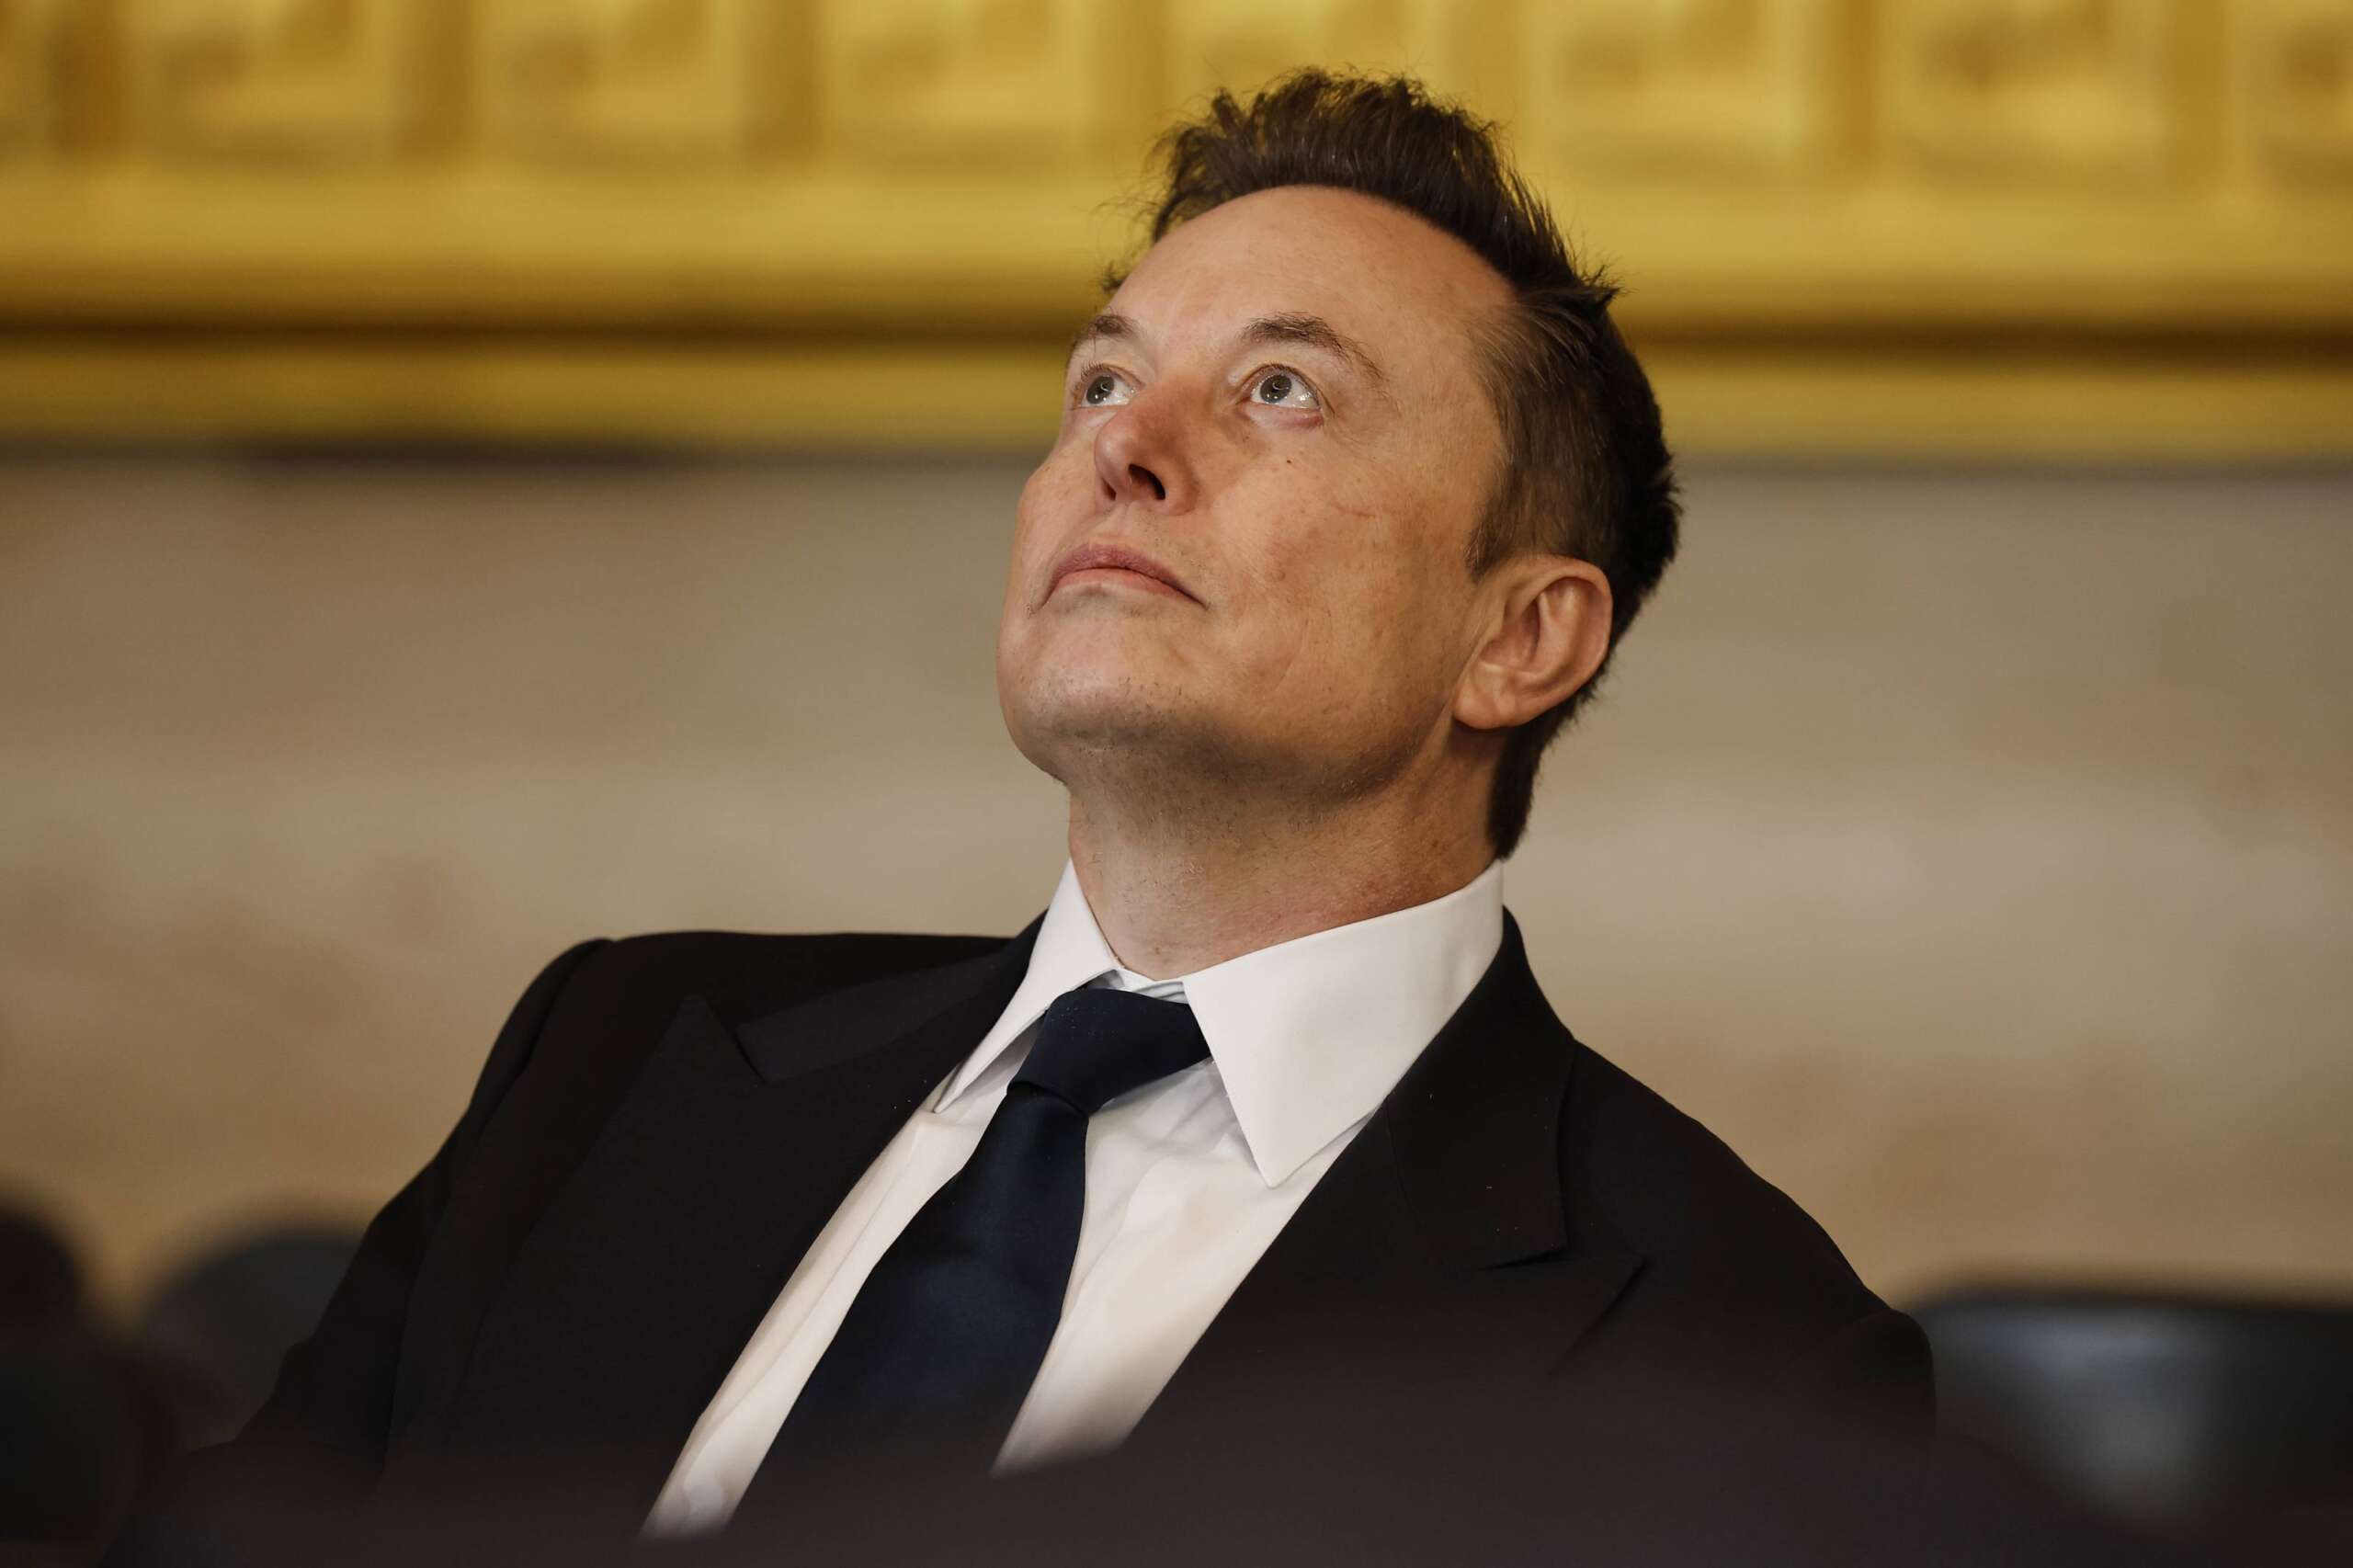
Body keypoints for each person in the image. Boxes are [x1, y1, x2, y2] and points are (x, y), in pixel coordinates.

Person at [114, 69, 1930, 1560]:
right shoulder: (615, 1049)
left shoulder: (1730, 1348)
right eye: (1102, 380)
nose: (1123, 446)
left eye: (1281, 390)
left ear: (1518, 637)